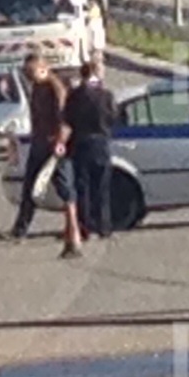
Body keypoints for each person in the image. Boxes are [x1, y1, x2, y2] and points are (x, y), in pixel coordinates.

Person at [5, 52, 78, 256]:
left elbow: (64, 119)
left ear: (43, 68)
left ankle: (74, 229)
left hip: (53, 145)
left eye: (32, 71)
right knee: (30, 186)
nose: (28, 76)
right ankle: (19, 230)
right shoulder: (36, 87)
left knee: (64, 188)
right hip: (39, 142)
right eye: (26, 72)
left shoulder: (56, 89)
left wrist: (60, 142)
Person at [63, 57, 117, 244]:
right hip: (100, 143)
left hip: (80, 143)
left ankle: (85, 226)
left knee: (82, 188)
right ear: (97, 73)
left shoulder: (75, 95)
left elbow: (67, 118)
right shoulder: (106, 95)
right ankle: (104, 225)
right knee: (101, 187)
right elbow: (113, 118)